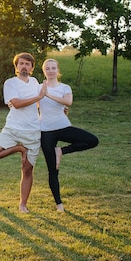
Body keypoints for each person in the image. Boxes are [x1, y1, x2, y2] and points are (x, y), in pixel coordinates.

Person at [0, 53, 46, 213]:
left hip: (33, 131)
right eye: (21, 64)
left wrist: (61, 107)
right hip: (12, 130)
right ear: (16, 67)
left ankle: (23, 204)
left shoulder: (34, 82)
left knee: (27, 170)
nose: (24, 66)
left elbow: (44, 101)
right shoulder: (10, 83)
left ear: (32, 68)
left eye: (27, 64)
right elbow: (17, 104)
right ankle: (20, 148)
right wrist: (38, 97)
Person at [39, 58, 99, 212]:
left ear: (58, 70)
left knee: (92, 140)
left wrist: (48, 95)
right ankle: (59, 205)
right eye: (48, 68)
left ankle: (62, 151)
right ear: (44, 71)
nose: (51, 71)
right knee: (53, 169)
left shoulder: (65, 87)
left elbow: (68, 102)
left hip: (63, 126)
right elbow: (30, 104)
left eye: (53, 68)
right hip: (45, 131)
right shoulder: (38, 88)